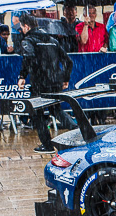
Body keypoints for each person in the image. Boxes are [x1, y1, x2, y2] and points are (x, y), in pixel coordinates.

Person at [16, 13, 76, 153]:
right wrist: (65, 78)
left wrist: (22, 76)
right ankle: (78, 130)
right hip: (55, 81)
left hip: (39, 82)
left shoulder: (28, 40)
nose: (21, 30)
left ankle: (47, 145)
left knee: (38, 114)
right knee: (56, 110)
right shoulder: (52, 40)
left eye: (21, 27)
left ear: (26, 26)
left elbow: (28, 57)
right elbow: (68, 61)